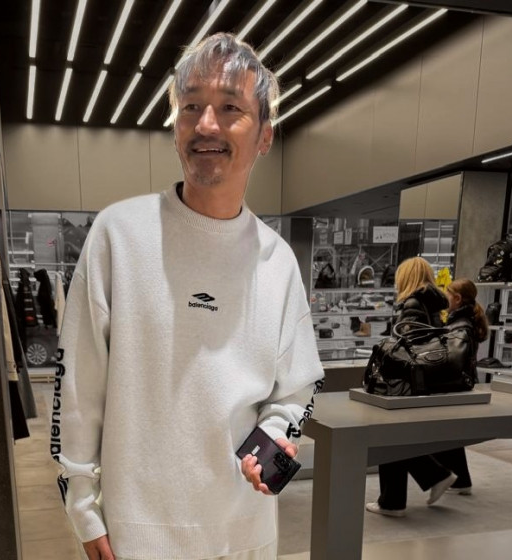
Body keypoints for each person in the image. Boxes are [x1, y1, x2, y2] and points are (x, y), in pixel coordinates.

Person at [51, 33, 324, 560]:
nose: (206, 125)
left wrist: (272, 438)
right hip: (139, 533)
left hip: (244, 532)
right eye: (192, 105)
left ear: (264, 135)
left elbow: (297, 389)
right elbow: (77, 384)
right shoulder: (119, 236)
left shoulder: (277, 261)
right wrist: (83, 506)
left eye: (230, 108)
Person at [366, 257, 457, 517]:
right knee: (396, 437)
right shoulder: (432, 303)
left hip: (408, 381)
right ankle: (407, 492)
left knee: (390, 437)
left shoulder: (413, 304)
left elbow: (407, 347)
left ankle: (397, 498)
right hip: (426, 379)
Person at [433, 278, 489, 495]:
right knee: (449, 434)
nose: (444, 298)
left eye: (447, 294)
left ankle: (452, 478)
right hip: (461, 384)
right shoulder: (463, 322)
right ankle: (460, 480)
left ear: (456, 299)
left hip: (455, 386)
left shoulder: (460, 326)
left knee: (443, 434)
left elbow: (453, 360)